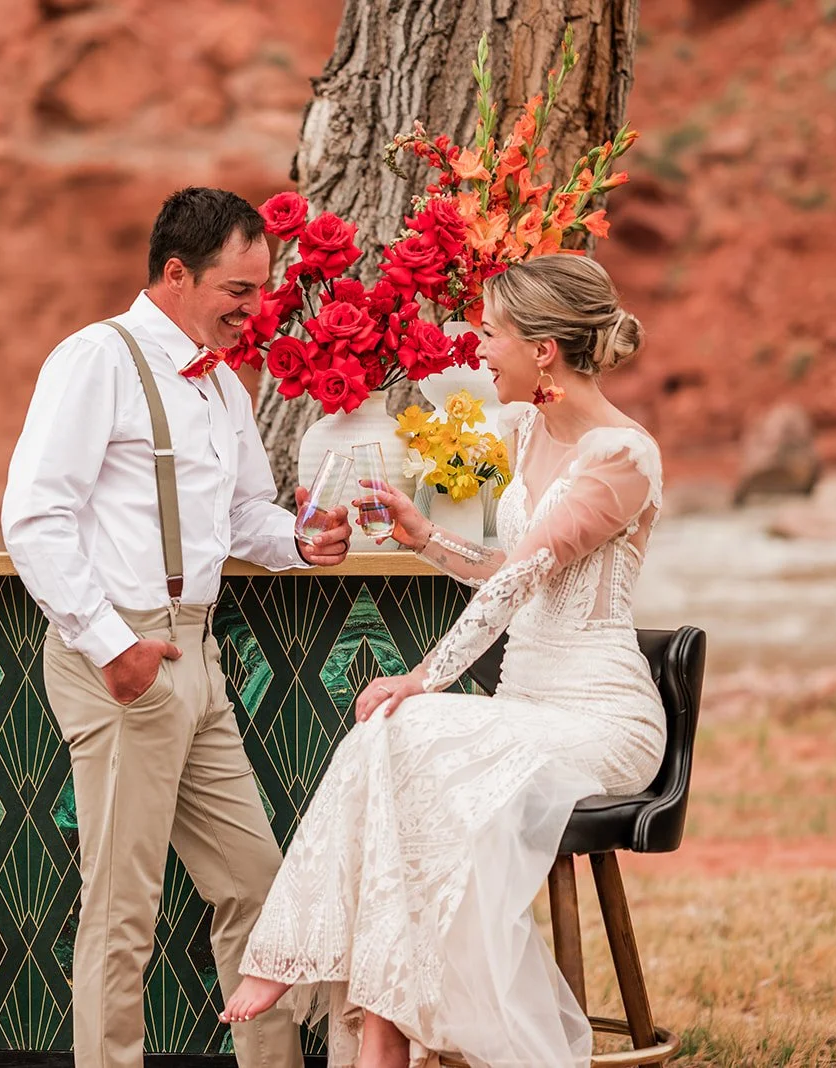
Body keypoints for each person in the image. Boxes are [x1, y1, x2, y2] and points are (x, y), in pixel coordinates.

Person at [219, 254, 667, 1068]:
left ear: (543, 350)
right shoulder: (529, 429)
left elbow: (521, 580)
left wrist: (425, 675)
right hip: (523, 709)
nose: (479, 349)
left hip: (599, 719)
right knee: (395, 741)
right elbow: (513, 571)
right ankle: (385, 1031)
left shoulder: (622, 458)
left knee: (407, 718)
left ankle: (308, 974)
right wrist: (426, 538)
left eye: (491, 333)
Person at [1, 186, 352, 1068]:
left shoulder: (223, 387)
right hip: (122, 655)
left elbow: (241, 520)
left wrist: (302, 542)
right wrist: (111, 646)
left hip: (199, 656)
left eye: (260, 289)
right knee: (122, 909)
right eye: (239, 290)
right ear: (174, 274)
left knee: (254, 887)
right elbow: (35, 516)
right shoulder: (95, 360)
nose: (254, 309)